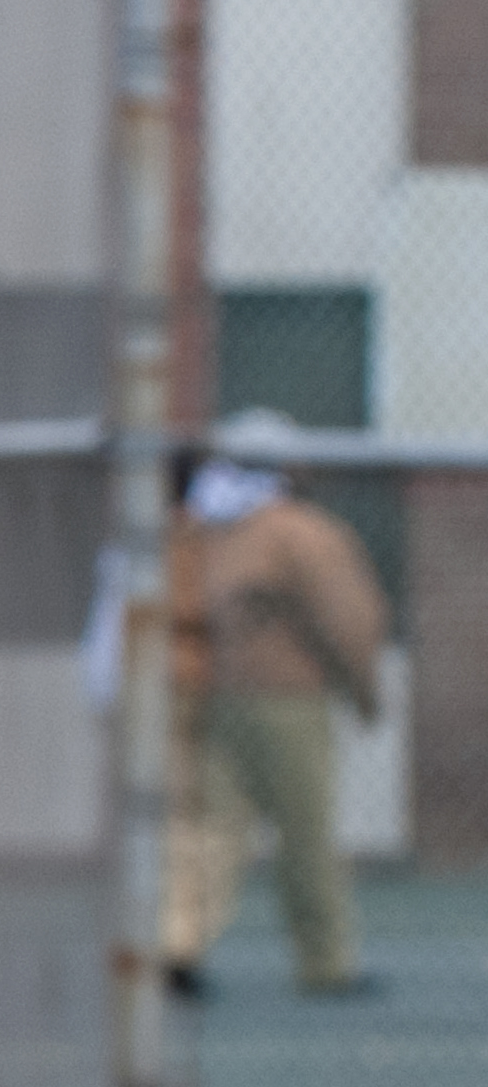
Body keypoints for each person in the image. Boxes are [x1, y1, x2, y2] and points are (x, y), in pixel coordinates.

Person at [165, 413, 391, 998]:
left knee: (208, 830)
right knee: (307, 833)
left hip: (216, 697)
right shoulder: (301, 534)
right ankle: (326, 961)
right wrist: (364, 691)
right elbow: (347, 618)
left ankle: (177, 942)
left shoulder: (201, 531)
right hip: (288, 701)